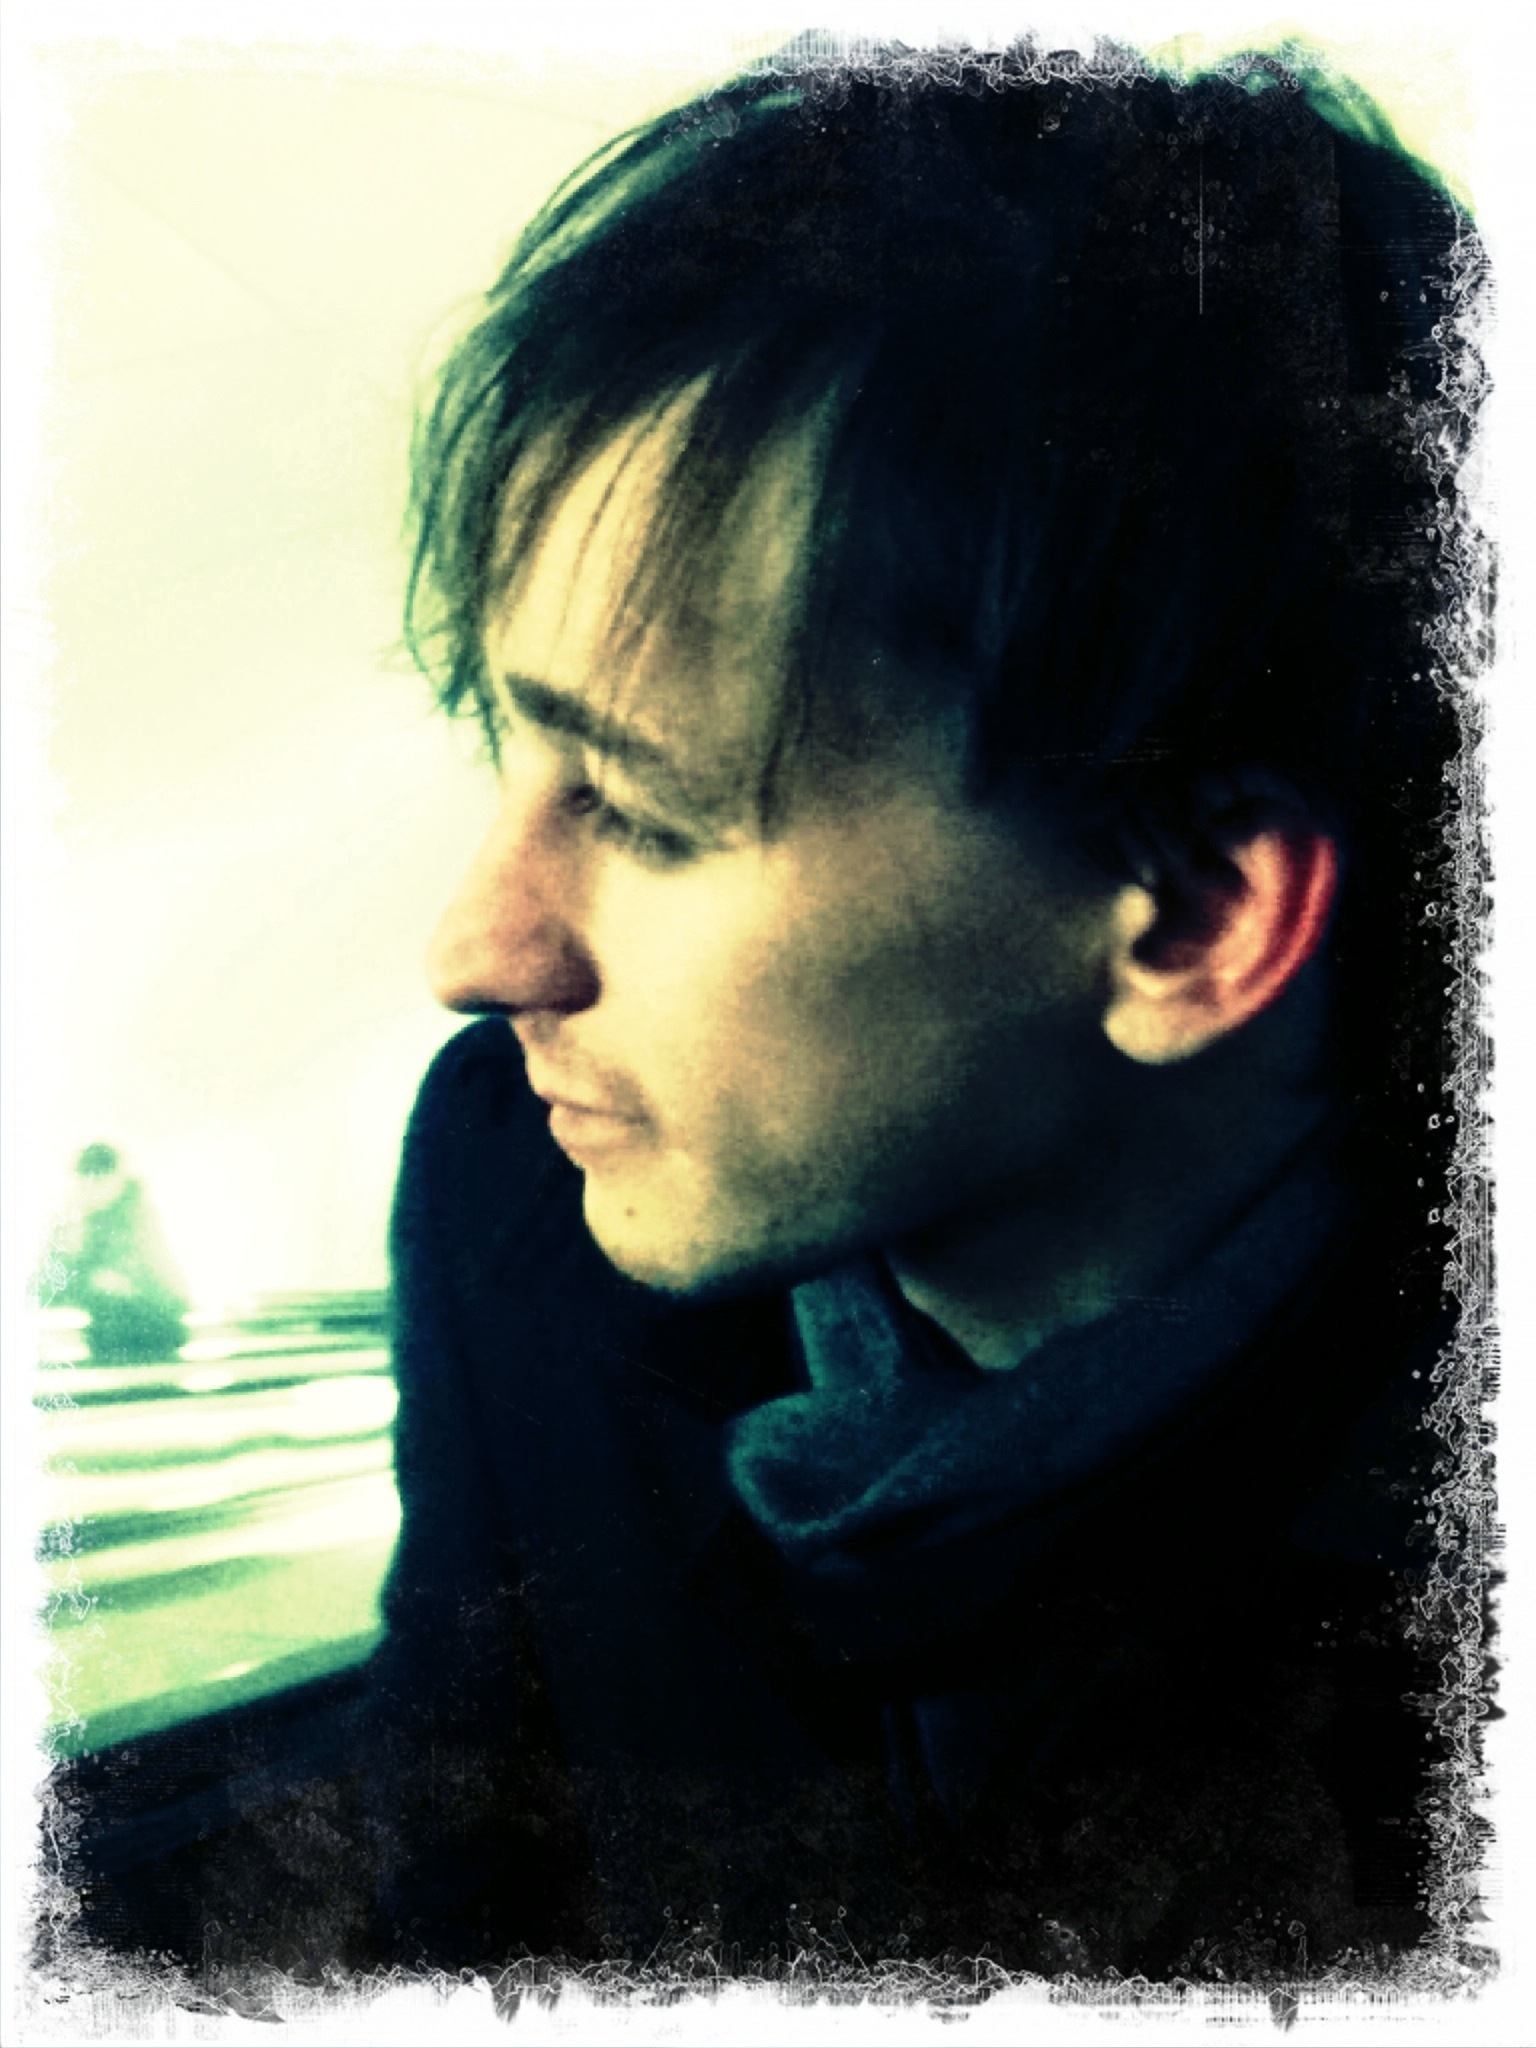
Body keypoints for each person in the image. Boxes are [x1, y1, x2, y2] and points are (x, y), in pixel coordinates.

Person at [363, 43, 1478, 1980]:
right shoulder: (515, 1186)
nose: (480, 951)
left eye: (643, 808)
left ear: (1191, 917)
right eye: (508, 744)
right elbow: (456, 1897)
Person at [50, 1143, 190, 1364]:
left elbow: (166, 1285)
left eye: (96, 1181)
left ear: (114, 1179)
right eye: (84, 1182)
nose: (88, 1190)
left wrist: (118, 1283)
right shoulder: (82, 1221)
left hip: (145, 1336)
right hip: (119, 1338)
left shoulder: (134, 1219)